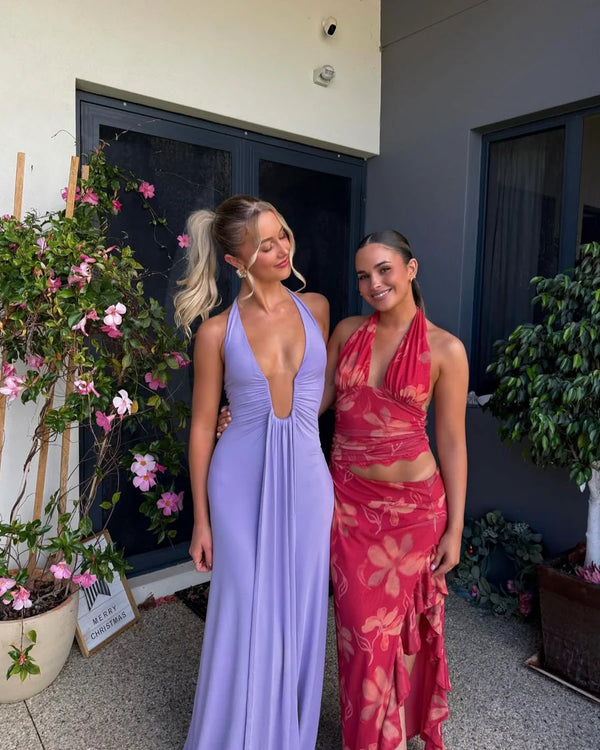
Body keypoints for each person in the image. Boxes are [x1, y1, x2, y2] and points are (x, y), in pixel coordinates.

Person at [218, 228, 468, 750]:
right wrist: (247, 416)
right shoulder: (348, 332)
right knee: (360, 636)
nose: (374, 283)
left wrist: (456, 528)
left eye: (384, 270)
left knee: (401, 635)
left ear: (411, 269)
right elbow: (313, 399)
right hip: (349, 508)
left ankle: (390, 739)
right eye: (363, 275)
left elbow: (451, 441)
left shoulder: (447, 349)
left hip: (417, 513)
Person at [174, 195, 334, 750]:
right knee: (242, 610)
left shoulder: (316, 308)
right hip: (238, 483)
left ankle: (287, 735)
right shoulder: (216, 332)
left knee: (302, 610)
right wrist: (201, 520)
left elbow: (317, 396)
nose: (282, 249)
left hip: (309, 482)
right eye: (265, 245)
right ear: (236, 261)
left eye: (282, 234)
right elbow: (201, 427)